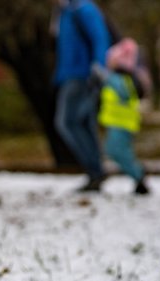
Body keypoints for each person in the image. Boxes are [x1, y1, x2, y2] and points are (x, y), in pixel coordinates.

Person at [52, 0, 110, 192]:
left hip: (82, 75)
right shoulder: (64, 12)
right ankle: (95, 172)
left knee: (67, 122)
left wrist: (98, 66)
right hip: (70, 74)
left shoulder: (82, 9)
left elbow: (100, 36)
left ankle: (95, 169)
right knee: (83, 122)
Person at [98, 39, 149, 195]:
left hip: (122, 123)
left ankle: (138, 173)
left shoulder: (119, 80)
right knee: (118, 151)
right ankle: (138, 175)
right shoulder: (121, 79)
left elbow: (121, 92)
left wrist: (103, 77)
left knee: (115, 151)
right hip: (118, 122)